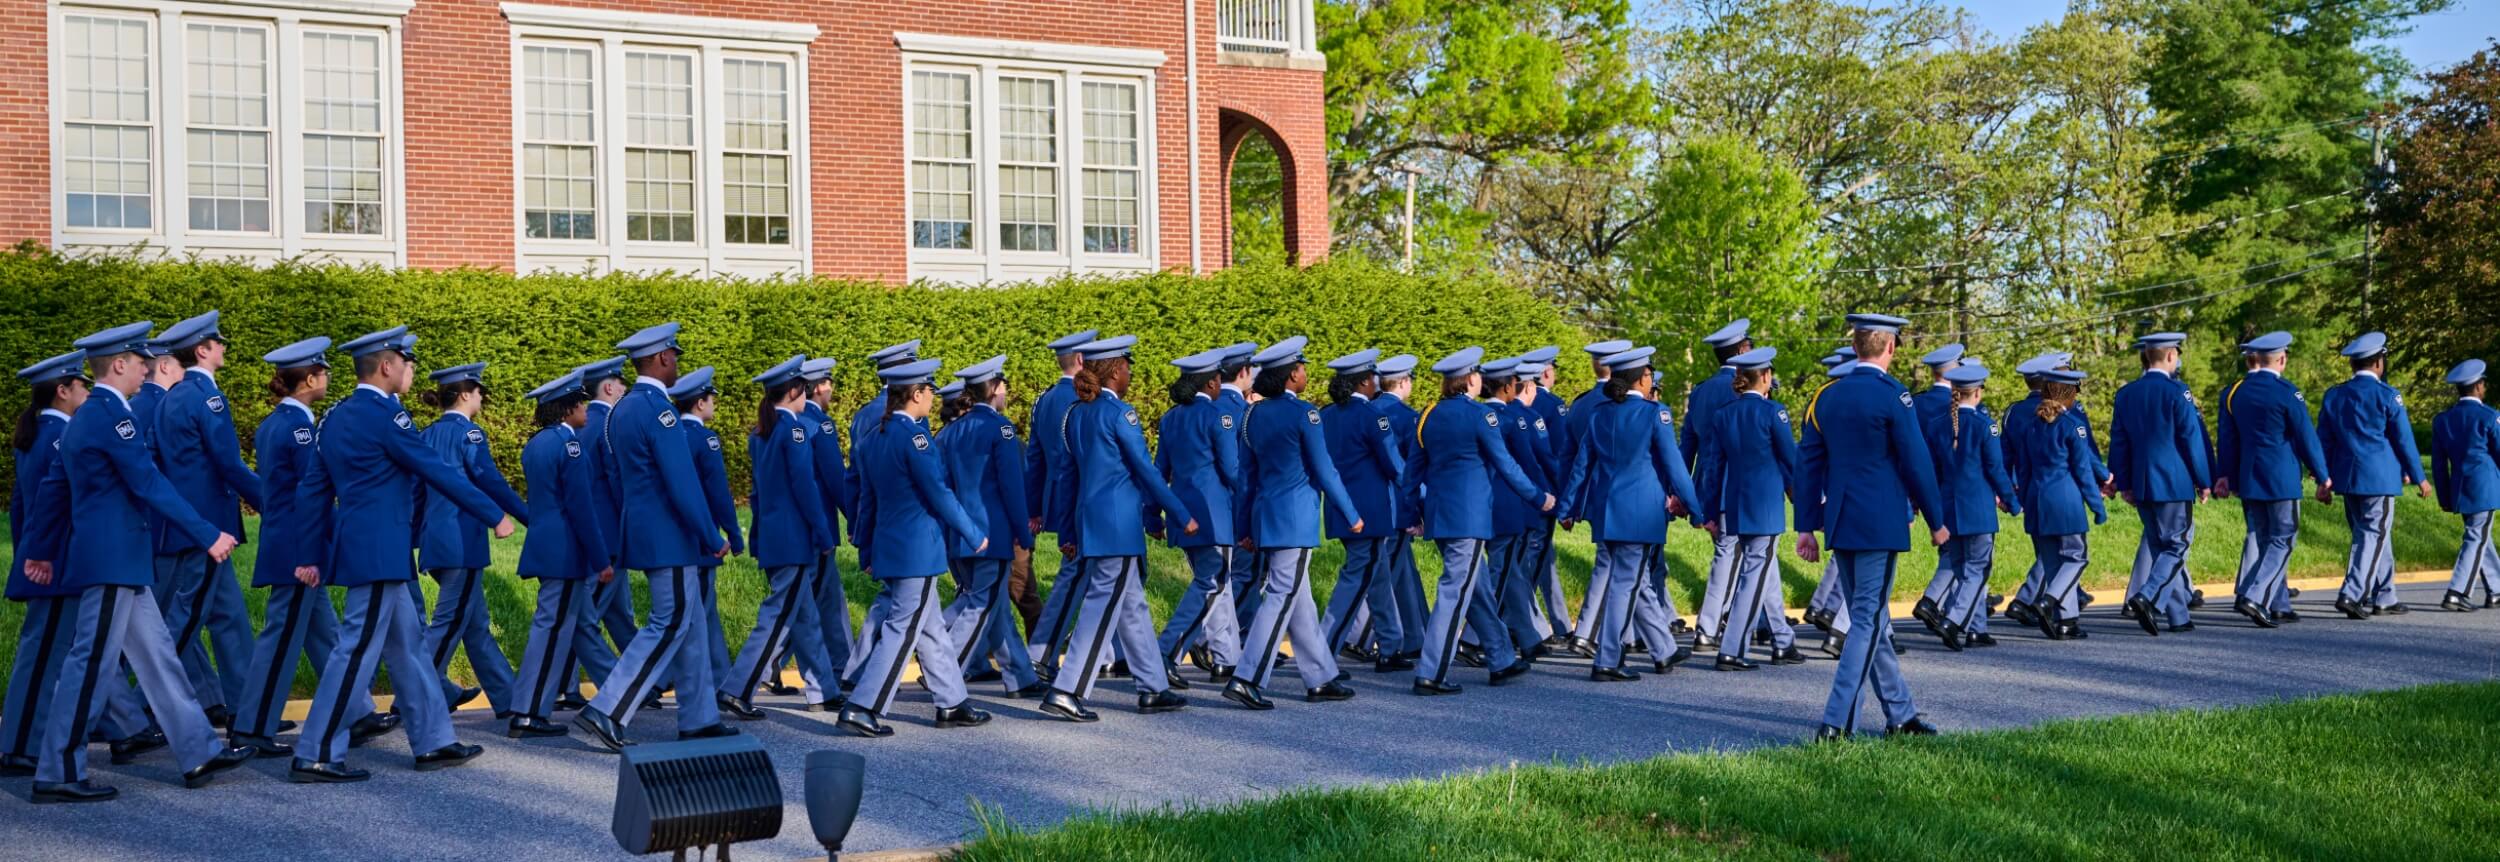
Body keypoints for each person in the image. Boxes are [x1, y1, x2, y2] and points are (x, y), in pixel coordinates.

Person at [22, 323, 254, 802]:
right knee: (89, 663)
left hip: (119, 561)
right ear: (121, 365)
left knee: (159, 657)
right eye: (138, 359)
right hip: (113, 561)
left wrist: (40, 551)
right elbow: (148, 483)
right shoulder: (111, 416)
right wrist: (207, 533)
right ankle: (58, 770)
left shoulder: (91, 414)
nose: (147, 366)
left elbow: (54, 487)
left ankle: (197, 750)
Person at [287, 327, 510, 782]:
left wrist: (308, 553)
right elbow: (434, 469)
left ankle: (434, 741)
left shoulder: (335, 417)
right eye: (406, 363)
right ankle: (316, 752)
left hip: (368, 547)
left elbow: (313, 489)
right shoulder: (386, 416)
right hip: (379, 551)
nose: (411, 372)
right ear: (387, 366)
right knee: (353, 651)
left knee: (408, 647)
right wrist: (493, 515)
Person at [570, 322, 734, 751]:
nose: (677, 362)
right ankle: (607, 710)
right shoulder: (658, 411)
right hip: (671, 535)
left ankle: (699, 718)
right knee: (670, 621)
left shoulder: (624, 408)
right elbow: (681, 482)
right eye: (675, 356)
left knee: (691, 624)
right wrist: (709, 533)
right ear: (662, 358)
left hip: (647, 530)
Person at [5, 352, 158, 777]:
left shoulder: (41, 434)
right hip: (58, 564)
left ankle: (127, 727)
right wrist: (45, 559)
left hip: (48, 559)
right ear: (63, 391)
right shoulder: (58, 436)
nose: (86, 393)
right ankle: (21, 746)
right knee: (52, 657)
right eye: (80, 387)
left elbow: (21, 508)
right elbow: (53, 507)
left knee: (75, 652)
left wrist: (28, 554)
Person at [1793, 313, 1943, 741]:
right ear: (1890, 348)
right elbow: (1917, 462)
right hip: (1879, 522)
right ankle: (1836, 723)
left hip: (1841, 521)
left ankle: (1901, 715)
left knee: (1870, 616)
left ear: (1857, 347)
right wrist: (1937, 521)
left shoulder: (1825, 397)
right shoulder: (1894, 397)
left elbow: (1808, 465)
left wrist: (1806, 525)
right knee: (1865, 621)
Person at [229, 339, 377, 757]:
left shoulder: (275, 422)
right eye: (324, 372)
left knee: (324, 633)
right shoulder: (299, 429)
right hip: (297, 548)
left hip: (288, 541)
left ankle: (357, 710)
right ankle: (252, 728)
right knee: (280, 640)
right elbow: (311, 493)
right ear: (310, 380)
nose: (328, 377)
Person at [1039, 335, 1198, 721]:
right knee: (1101, 606)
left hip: (1091, 523)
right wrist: (1180, 513)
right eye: (1127, 367)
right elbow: (1146, 471)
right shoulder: (1120, 414)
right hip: (1117, 527)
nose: (1130, 374)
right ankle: (1067, 689)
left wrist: (1068, 533)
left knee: (1132, 607)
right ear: (1114, 372)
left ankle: (1154, 687)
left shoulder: (1074, 414)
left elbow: (1066, 476)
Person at [841, 358, 995, 737]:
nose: (932, 397)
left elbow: (867, 501)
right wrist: (973, 533)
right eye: (928, 390)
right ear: (915, 394)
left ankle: (952, 701)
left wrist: (865, 550)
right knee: (903, 627)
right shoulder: (914, 437)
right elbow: (937, 493)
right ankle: (863, 705)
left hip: (892, 547)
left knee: (931, 630)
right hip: (916, 549)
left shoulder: (873, 437)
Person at [1401, 348, 1553, 696]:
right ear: (1471, 380)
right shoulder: (1480, 416)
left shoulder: (1428, 415)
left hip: (1440, 517)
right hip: (1468, 519)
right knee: (1454, 593)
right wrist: (1538, 497)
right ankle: (1431, 672)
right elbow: (1506, 465)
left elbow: (1412, 474)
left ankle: (1501, 658)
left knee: (1478, 589)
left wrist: (1410, 515)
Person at [1224, 337, 1361, 709]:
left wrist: (1244, 529)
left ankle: (1321, 676)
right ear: (1290, 376)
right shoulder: (1306, 414)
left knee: (1300, 601)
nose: (1305, 373)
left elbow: (1246, 479)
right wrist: (1351, 514)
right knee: (1282, 596)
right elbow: (1325, 470)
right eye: (1301, 368)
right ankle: (1247, 676)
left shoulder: (1251, 414)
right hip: (1294, 519)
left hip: (1265, 517)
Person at [148, 312, 264, 726]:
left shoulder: (172, 397)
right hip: (210, 527)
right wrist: (273, 506)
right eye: (219, 342)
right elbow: (228, 464)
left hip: (194, 524)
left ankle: (249, 712)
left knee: (229, 618)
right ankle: (141, 705)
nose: (224, 347)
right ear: (202, 350)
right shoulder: (206, 397)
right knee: (185, 619)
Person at [1558, 346, 1699, 681]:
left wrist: (1568, 508)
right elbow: (1676, 468)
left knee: (1637, 582)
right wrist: (1696, 510)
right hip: (1640, 515)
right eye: (1650, 374)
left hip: (1606, 512)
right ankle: (1607, 659)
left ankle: (1663, 650)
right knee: (1628, 584)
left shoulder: (1599, 414)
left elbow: (1581, 467)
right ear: (1643, 378)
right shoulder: (1655, 414)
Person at [720, 357, 845, 718]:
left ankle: (824, 688)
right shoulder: (793, 431)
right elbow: (804, 489)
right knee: (776, 617)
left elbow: (759, 495)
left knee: (805, 618)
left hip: (776, 536)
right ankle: (737, 688)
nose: (807, 395)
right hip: (795, 539)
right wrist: (823, 533)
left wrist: (757, 535)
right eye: (803, 389)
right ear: (793, 392)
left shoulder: (761, 433)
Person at [414, 363, 530, 717]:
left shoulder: (426, 434)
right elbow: (489, 481)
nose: (482, 397)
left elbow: (417, 492)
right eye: (480, 391)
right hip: (461, 544)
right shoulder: (470, 434)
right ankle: (414, 692)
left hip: (436, 543)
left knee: (475, 626)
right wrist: (530, 519)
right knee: (448, 624)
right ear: (466, 394)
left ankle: (510, 703)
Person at [506, 370, 612, 739]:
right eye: (579, 403)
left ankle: (616, 695)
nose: (584, 408)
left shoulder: (536, 444)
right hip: (566, 551)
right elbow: (581, 508)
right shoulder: (570, 445)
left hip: (546, 545)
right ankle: (529, 711)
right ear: (567, 410)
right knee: (550, 632)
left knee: (578, 626)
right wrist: (601, 560)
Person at [936, 356, 1049, 699]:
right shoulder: (999, 429)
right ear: (996, 389)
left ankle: (1021, 676)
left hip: (961, 533)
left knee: (995, 606)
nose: (1006, 390)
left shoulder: (951, 430)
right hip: (992, 530)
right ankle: (941, 668)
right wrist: (1022, 531)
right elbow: (1011, 489)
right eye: (1004, 385)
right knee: (980, 605)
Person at [1695, 347, 1805, 668]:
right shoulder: (1773, 412)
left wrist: (1711, 512)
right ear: (1767, 377)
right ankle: (1732, 648)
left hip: (1735, 505)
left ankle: (1783, 641)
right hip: (1765, 507)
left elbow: (1713, 468)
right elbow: (1792, 461)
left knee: (1764, 571)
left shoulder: (1723, 414)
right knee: (1753, 577)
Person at [2218, 332, 2332, 628]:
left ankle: (2278, 603)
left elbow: (2228, 441)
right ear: (2281, 359)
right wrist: (2322, 476)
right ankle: (2253, 595)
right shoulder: (2286, 392)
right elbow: (2306, 437)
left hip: (2250, 477)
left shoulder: (2236, 392)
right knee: (2283, 540)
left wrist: (2225, 476)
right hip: (2281, 477)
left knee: (2268, 539)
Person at [2319, 332, 2432, 618]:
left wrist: (2322, 478)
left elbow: (2324, 441)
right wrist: (2419, 477)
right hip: (2378, 478)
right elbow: (2403, 440)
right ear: (2379, 363)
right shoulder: (2388, 395)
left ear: (2352, 365)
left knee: (2374, 534)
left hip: (2347, 476)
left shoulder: (2334, 394)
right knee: (2372, 534)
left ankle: (2385, 595)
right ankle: (2353, 593)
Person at [2108, 334, 2211, 636]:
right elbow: (2191, 440)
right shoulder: (2178, 392)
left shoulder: (2126, 394)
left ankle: (2178, 616)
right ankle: (2147, 596)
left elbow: (2119, 442)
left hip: (2142, 482)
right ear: (2169, 357)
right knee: (2177, 546)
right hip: (2173, 482)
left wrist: (2123, 481)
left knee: (2160, 549)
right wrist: (2202, 480)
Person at [1151, 348, 1242, 683]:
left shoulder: (1170, 418)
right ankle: (1165, 652)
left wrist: (1152, 515)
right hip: (1213, 514)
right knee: (1212, 582)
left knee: (1214, 585)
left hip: (1181, 514)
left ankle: (1226, 657)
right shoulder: (1218, 415)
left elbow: (1160, 471)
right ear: (1214, 382)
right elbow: (1232, 470)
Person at [1315, 349, 1407, 671]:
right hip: (1367, 511)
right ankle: (1322, 653)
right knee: (1354, 581)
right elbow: (1393, 462)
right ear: (1366, 380)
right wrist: (1419, 489)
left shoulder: (1326, 415)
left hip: (1342, 509)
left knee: (1378, 577)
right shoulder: (1372, 416)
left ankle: (1391, 646)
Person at [1923, 363, 2018, 649]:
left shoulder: (1936, 424)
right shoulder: (1983, 425)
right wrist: (2012, 501)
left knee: (1964, 568)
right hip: (1977, 508)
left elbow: (1933, 472)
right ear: (1976, 393)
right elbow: (1995, 468)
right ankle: (1953, 621)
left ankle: (1977, 628)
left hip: (1949, 507)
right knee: (1978, 568)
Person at [1021, 330, 1097, 676]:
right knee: (1078, 573)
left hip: (1057, 496)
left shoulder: (1045, 399)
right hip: (1082, 497)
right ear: (1081, 361)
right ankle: (1043, 651)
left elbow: (1034, 458)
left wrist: (1035, 506)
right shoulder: (1084, 399)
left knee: (1110, 578)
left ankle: (1112, 651)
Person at [556, 356, 630, 709]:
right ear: (611, 387)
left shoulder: (583, 425)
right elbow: (615, 481)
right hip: (608, 532)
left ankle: (653, 678)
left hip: (596, 530)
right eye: (622, 383)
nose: (626, 389)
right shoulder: (607, 423)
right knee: (588, 616)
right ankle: (567, 685)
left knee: (617, 613)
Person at [670, 367, 743, 705]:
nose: (713, 404)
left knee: (704, 614)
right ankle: (699, 684)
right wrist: (733, 533)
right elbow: (718, 493)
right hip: (701, 540)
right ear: (700, 403)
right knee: (695, 616)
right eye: (711, 399)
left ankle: (721, 679)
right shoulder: (704, 439)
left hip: (679, 537)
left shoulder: (672, 435)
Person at [1480, 357, 1559, 658]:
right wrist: (1545, 496)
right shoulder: (1513, 419)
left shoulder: (1480, 413)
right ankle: (1477, 639)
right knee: (1500, 571)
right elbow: (1529, 463)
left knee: (1510, 570)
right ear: (1509, 387)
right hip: (1512, 505)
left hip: (1487, 504)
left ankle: (1527, 636)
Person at [1561, 339, 1634, 651]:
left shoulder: (1580, 404)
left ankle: (1629, 634)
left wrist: (1570, 503)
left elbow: (1568, 458)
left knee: (1619, 563)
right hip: (1627, 496)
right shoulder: (1623, 403)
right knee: (1623, 564)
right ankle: (1590, 632)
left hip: (1591, 494)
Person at [1686, 319, 1754, 652]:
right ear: (1743, 350)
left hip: (1705, 482)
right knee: (1735, 554)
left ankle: (1747, 620)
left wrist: (1682, 490)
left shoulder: (1699, 391)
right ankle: (1711, 624)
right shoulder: (1743, 388)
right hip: (1738, 482)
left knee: (1736, 554)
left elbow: (1687, 444)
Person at [791, 356, 856, 702]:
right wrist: (856, 519)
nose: (832, 389)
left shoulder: (792, 420)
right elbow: (835, 478)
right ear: (819, 387)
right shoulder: (820, 424)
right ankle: (841, 669)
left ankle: (840, 667)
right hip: (819, 527)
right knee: (822, 603)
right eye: (829, 383)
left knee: (808, 601)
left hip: (800, 528)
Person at [1366, 353, 1430, 665]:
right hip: (1396, 505)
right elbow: (1410, 470)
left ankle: (1417, 635)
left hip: (1372, 504)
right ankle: (1363, 637)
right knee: (1385, 574)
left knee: (1403, 571)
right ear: (1403, 382)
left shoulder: (1367, 410)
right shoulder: (1407, 417)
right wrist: (1420, 505)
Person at [2431, 360, 2499, 610]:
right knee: (2476, 537)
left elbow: (2439, 464)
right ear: (2479, 387)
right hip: (2485, 487)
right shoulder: (2490, 416)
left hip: (2460, 488)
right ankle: (2457, 591)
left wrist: (2444, 496)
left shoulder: (2443, 420)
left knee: (2480, 536)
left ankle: (2497, 589)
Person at [1907, 342, 1966, 631]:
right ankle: (1937, 603)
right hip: (1951, 484)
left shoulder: (1915, 403)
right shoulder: (1958, 406)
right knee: (1960, 550)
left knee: (1954, 548)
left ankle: (1956, 605)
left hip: (1921, 482)